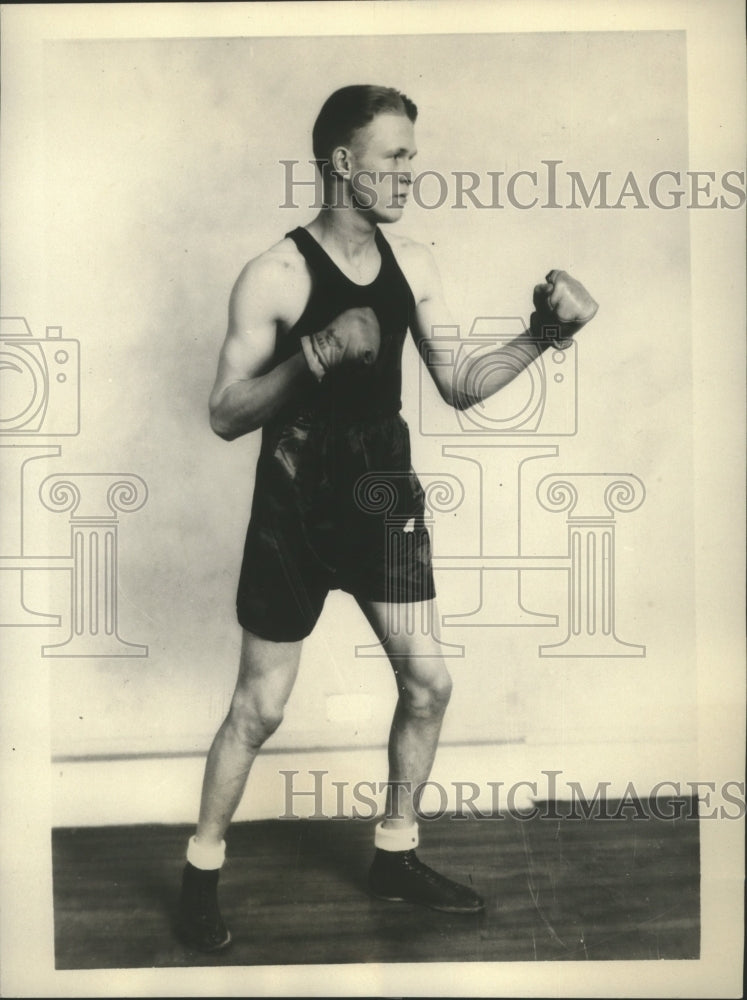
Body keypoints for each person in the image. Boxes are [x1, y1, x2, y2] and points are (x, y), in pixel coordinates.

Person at [178, 85, 598, 951]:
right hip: (293, 503)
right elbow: (224, 412)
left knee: (429, 685)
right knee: (259, 711)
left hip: (381, 497)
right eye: (394, 156)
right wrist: (317, 355)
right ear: (342, 162)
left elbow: (459, 387)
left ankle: (395, 855)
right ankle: (200, 870)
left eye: (414, 154)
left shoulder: (416, 263)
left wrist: (544, 334)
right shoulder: (278, 273)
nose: (412, 171)